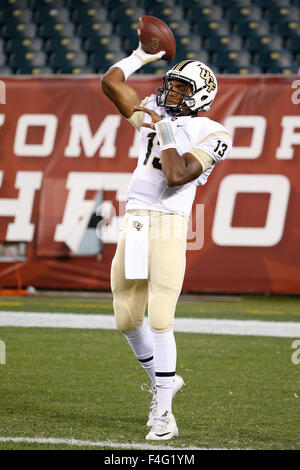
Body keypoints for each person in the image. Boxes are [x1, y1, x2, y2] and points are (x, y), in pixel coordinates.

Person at [101, 42, 232, 441]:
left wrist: (161, 124)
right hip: (137, 223)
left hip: (169, 226)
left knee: (160, 317)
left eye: (180, 89)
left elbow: (177, 175)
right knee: (126, 317)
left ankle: (164, 412)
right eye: (169, 85)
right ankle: (164, 379)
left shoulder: (213, 131)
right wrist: (141, 55)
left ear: (201, 95)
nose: (169, 93)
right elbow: (111, 82)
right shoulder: (154, 113)